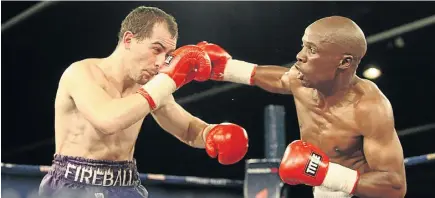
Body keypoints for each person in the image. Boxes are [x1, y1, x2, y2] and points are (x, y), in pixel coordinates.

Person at [38, 6, 249, 198]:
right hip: (73, 185)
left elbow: (187, 129)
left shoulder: (150, 86)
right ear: (128, 40)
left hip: (126, 185)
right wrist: (170, 79)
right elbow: (107, 120)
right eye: (156, 50)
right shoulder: (81, 73)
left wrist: (211, 134)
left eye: (167, 55)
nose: (160, 63)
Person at [197, 16, 406, 198]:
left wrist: (323, 172)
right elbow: (278, 79)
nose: (300, 55)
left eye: (312, 49)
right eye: (304, 45)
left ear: (344, 62)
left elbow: (395, 187)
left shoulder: (368, 107)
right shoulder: (301, 79)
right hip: (318, 190)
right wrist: (225, 68)